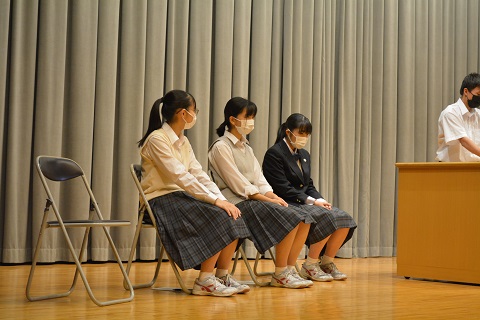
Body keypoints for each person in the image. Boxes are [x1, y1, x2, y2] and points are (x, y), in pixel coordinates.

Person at [138, 90, 251, 297]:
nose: (195, 114)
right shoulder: (157, 139)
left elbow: (198, 174)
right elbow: (180, 176)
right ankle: (204, 281)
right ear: (183, 114)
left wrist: (224, 200)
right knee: (217, 217)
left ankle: (221, 275)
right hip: (160, 201)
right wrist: (215, 201)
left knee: (232, 214)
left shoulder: (183, 141)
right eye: (194, 110)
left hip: (180, 196)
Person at [208, 97, 315, 289]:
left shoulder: (246, 147)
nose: (251, 121)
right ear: (233, 120)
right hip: (236, 200)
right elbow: (239, 184)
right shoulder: (220, 147)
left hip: (255, 198)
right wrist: (266, 199)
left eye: (253, 117)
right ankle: (280, 273)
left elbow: (259, 178)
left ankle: (289, 269)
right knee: (290, 217)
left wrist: (273, 196)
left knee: (304, 217)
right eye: (248, 117)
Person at [263, 113, 357, 281]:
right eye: (301, 133)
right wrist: (312, 201)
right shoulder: (274, 153)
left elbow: (309, 184)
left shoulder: (304, 154)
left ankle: (326, 262)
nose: (304, 137)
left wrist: (319, 199)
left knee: (344, 219)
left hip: (304, 201)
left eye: (306, 134)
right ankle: (310, 265)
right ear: (288, 131)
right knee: (326, 216)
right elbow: (282, 188)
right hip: (286, 202)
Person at [436, 72, 480, 162]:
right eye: (478, 94)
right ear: (466, 92)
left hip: (474, 167)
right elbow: (464, 141)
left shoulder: (478, 114)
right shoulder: (450, 113)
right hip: (452, 168)